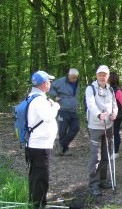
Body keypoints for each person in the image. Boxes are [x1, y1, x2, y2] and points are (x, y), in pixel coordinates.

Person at [26, 70, 59, 208]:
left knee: (36, 175)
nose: (50, 83)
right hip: (39, 145)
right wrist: (56, 106)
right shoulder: (39, 100)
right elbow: (48, 117)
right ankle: (39, 205)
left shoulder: (34, 97)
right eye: (49, 81)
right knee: (41, 178)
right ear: (44, 84)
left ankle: (35, 202)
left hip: (36, 144)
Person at [85, 65, 118, 196]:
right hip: (95, 126)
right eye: (100, 75)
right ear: (97, 75)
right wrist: (99, 114)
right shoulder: (90, 88)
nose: (102, 77)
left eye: (105, 75)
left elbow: (114, 104)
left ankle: (103, 180)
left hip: (108, 126)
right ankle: (93, 184)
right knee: (95, 157)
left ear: (108, 76)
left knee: (106, 155)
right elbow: (90, 104)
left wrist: (114, 113)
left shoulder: (110, 89)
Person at [49, 68, 80, 156]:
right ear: (68, 75)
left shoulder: (77, 82)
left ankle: (61, 144)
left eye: (75, 78)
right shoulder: (61, 81)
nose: (74, 80)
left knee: (76, 127)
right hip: (62, 109)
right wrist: (55, 96)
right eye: (72, 78)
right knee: (62, 130)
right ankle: (64, 150)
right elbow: (51, 86)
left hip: (73, 109)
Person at [109, 72, 122, 159]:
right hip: (113, 114)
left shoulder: (114, 90)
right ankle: (113, 151)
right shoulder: (117, 90)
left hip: (117, 115)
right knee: (113, 133)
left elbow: (121, 104)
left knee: (114, 133)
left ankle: (115, 151)